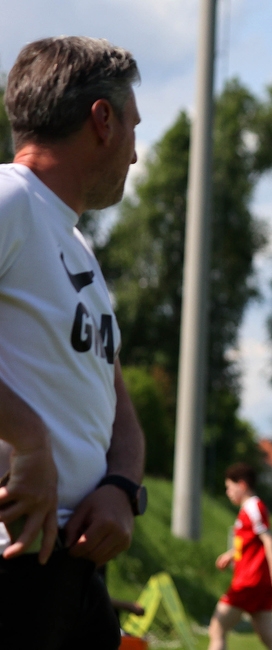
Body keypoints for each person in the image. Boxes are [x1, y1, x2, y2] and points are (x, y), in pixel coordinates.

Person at [0, 36, 147, 649]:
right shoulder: (9, 199)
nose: (136, 156)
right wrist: (29, 439)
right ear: (102, 120)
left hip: (70, 569)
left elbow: (118, 412)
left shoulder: (75, 244)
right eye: (135, 127)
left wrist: (119, 491)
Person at [209, 462, 272, 650]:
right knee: (267, 636)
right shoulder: (249, 508)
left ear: (242, 485)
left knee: (216, 629)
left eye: (229, 487)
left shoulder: (253, 507)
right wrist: (232, 554)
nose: (228, 492)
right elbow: (251, 543)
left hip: (249, 581)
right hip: (258, 583)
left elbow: (268, 540)